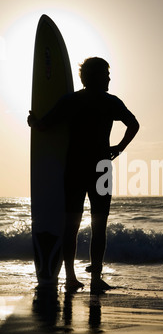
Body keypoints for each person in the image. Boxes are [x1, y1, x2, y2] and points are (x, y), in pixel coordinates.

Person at [28, 57, 139, 292]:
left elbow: (44, 125)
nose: (109, 78)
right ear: (97, 76)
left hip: (75, 167)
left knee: (72, 224)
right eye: (106, 74)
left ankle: (70, 278)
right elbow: (134, 124)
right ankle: (96, 279)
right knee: (99, 225)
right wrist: (119, 147)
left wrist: (33, 121)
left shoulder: (71, 100)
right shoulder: (110, 102)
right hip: (101, 168)